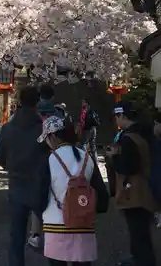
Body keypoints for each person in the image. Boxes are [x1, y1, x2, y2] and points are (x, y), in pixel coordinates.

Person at [38, 116, 108, 266]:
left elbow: (40, 195)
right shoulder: (87, 158)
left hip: (55, 224)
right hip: (84, 223)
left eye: (47, 138)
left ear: (53, 136)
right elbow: (102, 194)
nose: (46, 142)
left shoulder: (48, 160)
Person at [0, 85, 48, 266]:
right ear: (38, 103)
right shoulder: (43, 129)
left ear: (19, 102)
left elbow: (0, 159)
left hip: (17, 184)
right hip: (41, 185)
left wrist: (13, 165)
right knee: (52, 230)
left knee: (16, 235)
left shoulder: (7, 129)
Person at [107, 102, 158, 266]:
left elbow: (128, 167)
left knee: (138, 233)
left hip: (134, 192)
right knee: (141, 232)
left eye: (116, 116)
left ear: (122, 116)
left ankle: (142, 260)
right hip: (147, 188)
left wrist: (114, 157)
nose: (116, 120)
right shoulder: (147, 133)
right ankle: (138, 258)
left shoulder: (129, 138)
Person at [79, 99, 100, 164]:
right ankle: (95, 160)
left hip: (87, 129)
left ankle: (86, 160)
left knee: (83, 144)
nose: (82, 104)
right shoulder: (93, 110)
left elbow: (83, 121)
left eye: (83, 102)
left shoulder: (85, 110)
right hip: (93, 128)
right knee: (92, 145)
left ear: (86, 103)